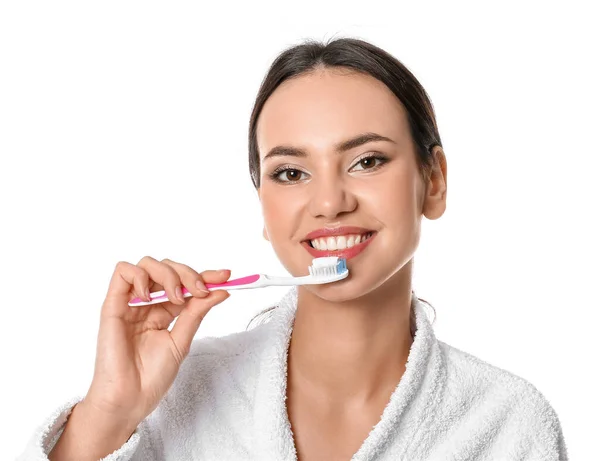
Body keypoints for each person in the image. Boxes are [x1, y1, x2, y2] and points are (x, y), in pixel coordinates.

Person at [19, 37, 568, 461]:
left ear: (435, 180)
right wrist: (108, 415)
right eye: (290, 172)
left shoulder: (508, 423)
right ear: (263, 205)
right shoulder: (174, 397)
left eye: (368, 161)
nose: (328, 202)